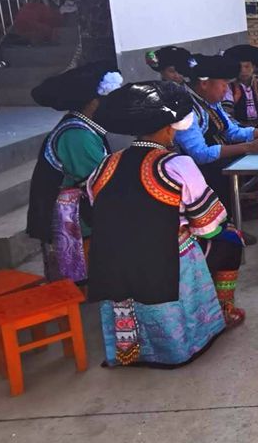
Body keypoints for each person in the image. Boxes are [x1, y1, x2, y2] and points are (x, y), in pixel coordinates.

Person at [87, 82, 229, 366]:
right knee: (229, 242)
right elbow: (208, 225)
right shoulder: (177, 165)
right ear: (168, 129)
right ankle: (193, 335)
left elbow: (96, 208)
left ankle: (128, 350)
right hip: (165, 258)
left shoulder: (105, 165)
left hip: (113, 260)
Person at [174, 54, 258, 324]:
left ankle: (228, 235)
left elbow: (233, 131)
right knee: (219, 227)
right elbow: (199, 153)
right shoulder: (187, 109)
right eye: (222, 84)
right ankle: (218, 254)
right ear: (204, 83)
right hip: (198, 177)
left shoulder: (210, 105)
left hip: (216, 168)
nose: (225, 91)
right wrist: (248, 147)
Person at [26, 62, 123, 282]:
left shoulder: (85, 128)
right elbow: (100, 182)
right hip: (76, 224)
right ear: (93, 103)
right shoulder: (76, 135)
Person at [221, 44, 258, 127]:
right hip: (239, 127)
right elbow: (227, 113)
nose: (243, 71)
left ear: (253, 67)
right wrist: (241, 130)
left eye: (247, 67)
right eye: (240, 68)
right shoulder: (230, 88)